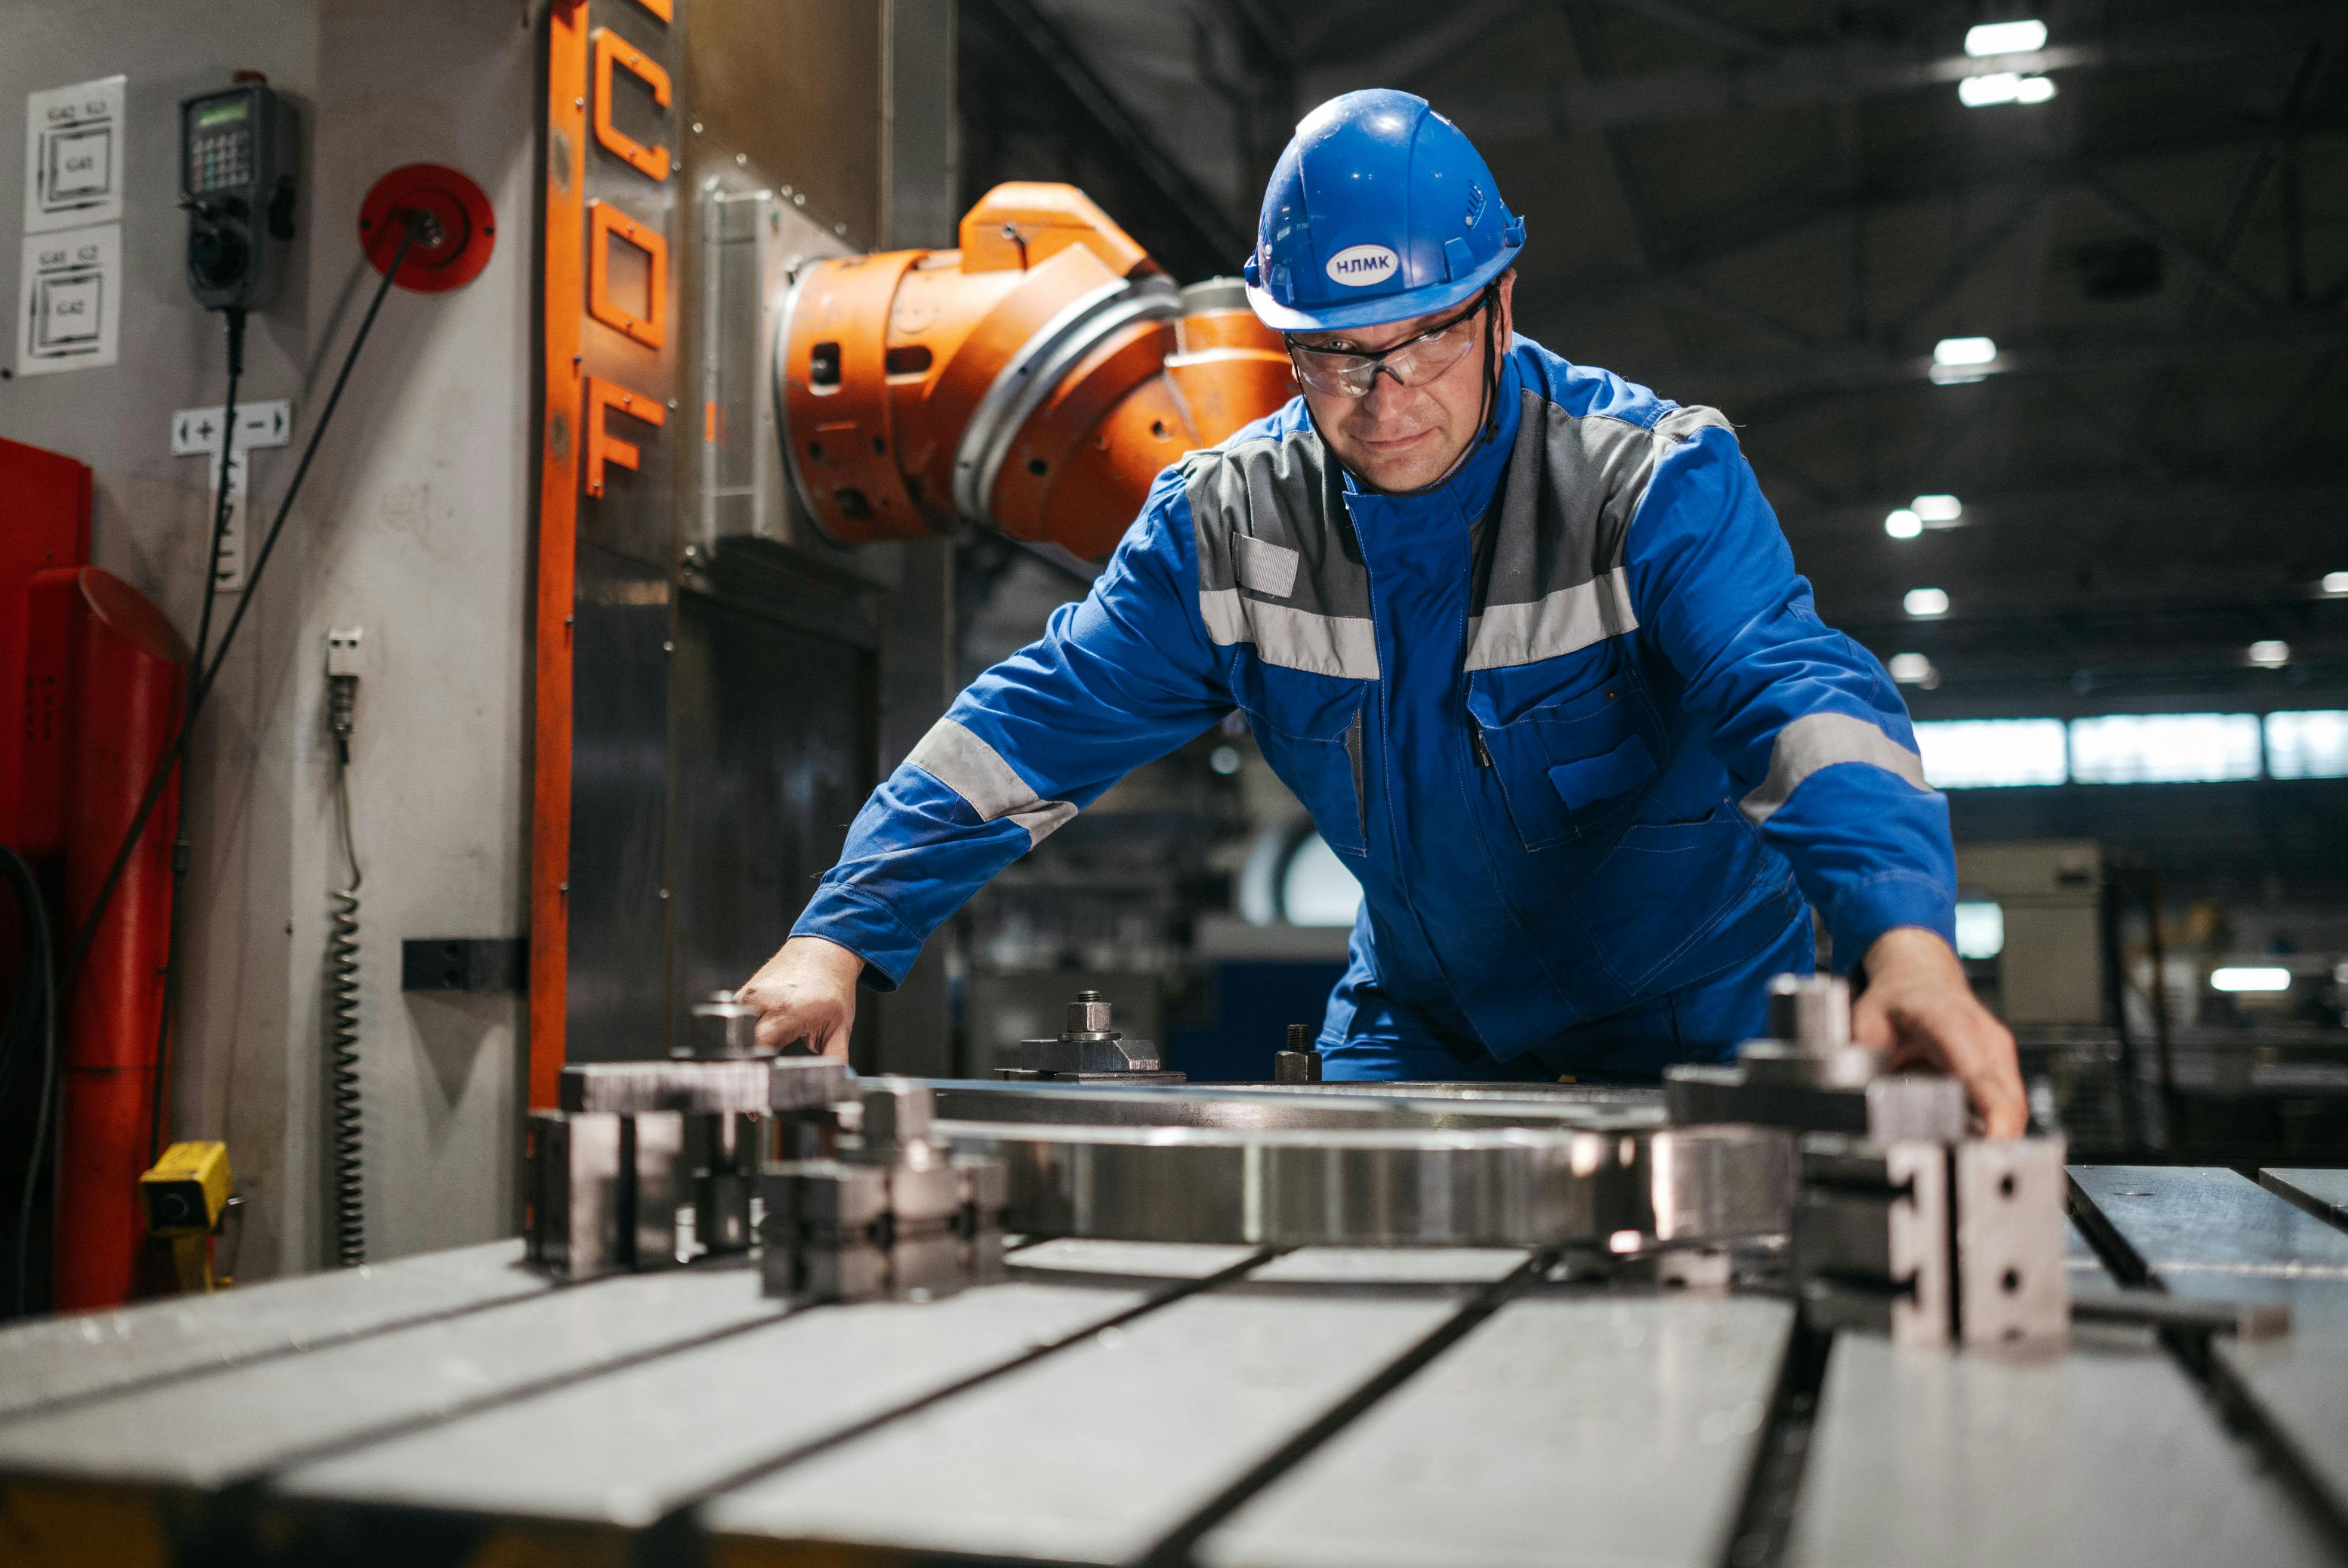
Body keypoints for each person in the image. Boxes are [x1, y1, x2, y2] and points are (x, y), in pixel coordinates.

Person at [741, 88, 2028, 1134]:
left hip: (1703, 1036)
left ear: (1502, 304)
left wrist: (1905, 944)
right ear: (1286, 344)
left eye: (1426, 339)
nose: (1385, 393)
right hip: (1423, 1027)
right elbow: (1030, 729)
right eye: (1338, 353)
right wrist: (836, 935)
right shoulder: (1226, 529)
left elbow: (1799, 699)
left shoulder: (1650, 483)